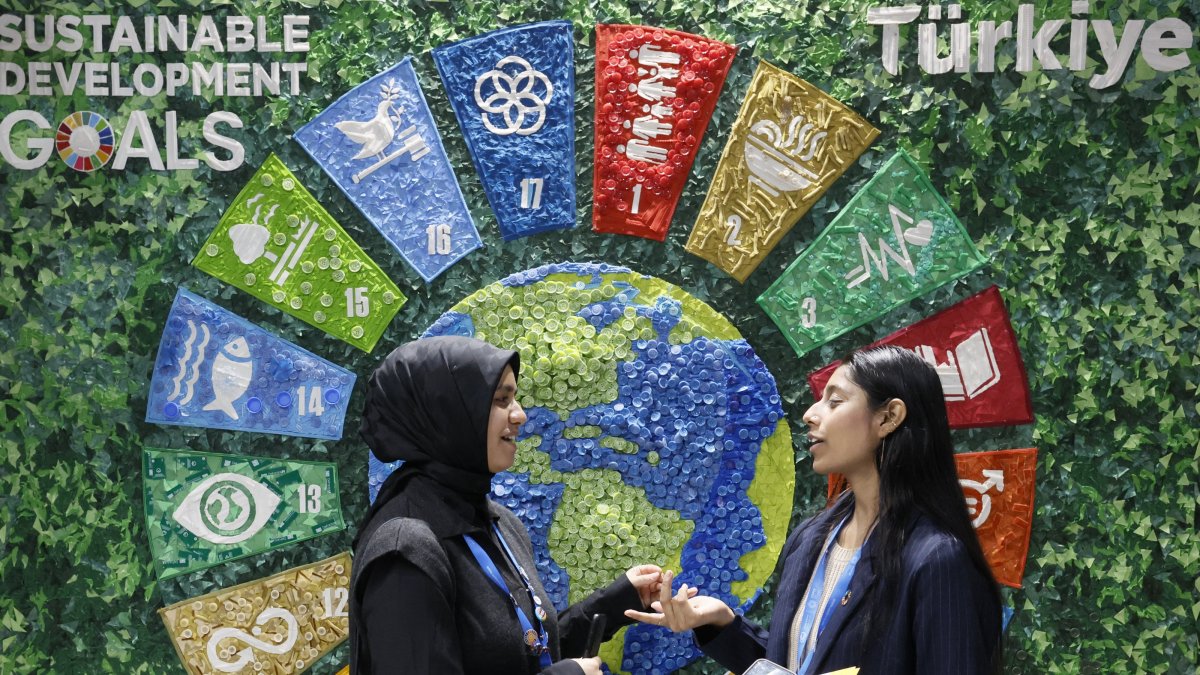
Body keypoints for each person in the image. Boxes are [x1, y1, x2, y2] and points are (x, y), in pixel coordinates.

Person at [626, 345, 1003, 674]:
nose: (810, 413)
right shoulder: (812, 537)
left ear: (888, 418)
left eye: (835, 401)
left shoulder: (936, 559)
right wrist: (721, 624)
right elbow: (800, 665)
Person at [349, 336, 665, 674]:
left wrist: (616, 602)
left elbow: (522, 652)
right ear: (450, 413)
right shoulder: (405, 550)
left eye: (514, 398)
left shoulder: (498, 522)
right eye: (500, 400)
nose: (520, 415)